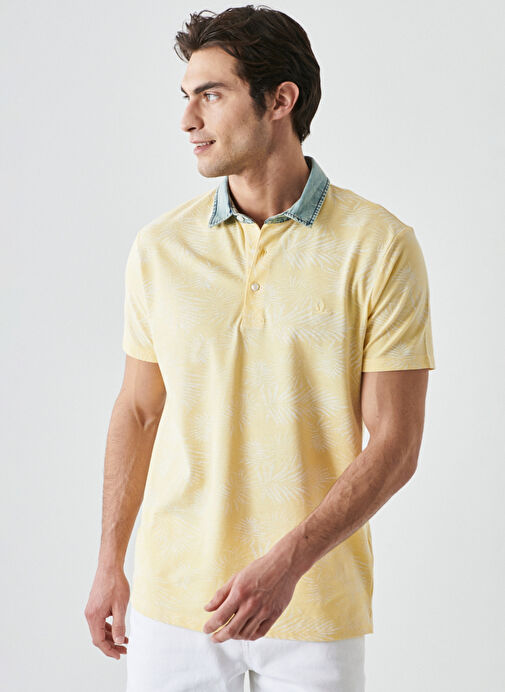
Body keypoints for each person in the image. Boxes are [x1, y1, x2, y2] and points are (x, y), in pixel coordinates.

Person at [84, 5, 436, 690]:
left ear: (280, 100)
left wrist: (288, 564)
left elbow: (396, 443)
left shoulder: (378, 247)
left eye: (211, 95)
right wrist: (108, 563)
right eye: (186, 97)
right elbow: (138, 411)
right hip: (172, 601)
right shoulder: (161, 248)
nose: (187, 120)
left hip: (313, 604)